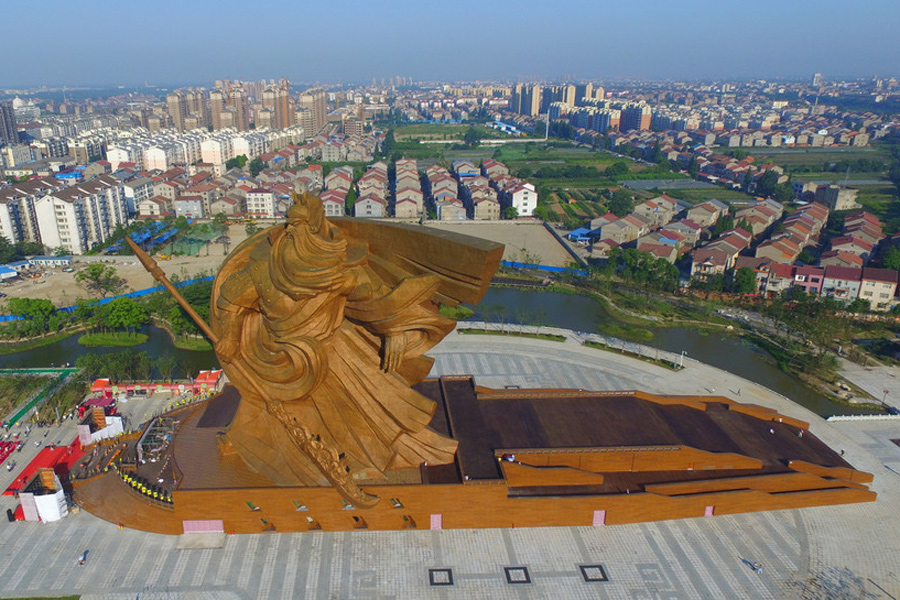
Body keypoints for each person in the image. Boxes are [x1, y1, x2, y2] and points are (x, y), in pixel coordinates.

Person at [212, 193, 462, 487]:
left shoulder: (339, 266)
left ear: (315, 227)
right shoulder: (265, 266)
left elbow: (375, 299)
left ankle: (359, 459)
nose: (292, 231)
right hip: (279, 358)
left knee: (373, 410)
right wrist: (230, 336)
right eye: (290, 224)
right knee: (272, 414)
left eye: (300, 225)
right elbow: (231, 300)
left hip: (332, 351)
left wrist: (393, 330)